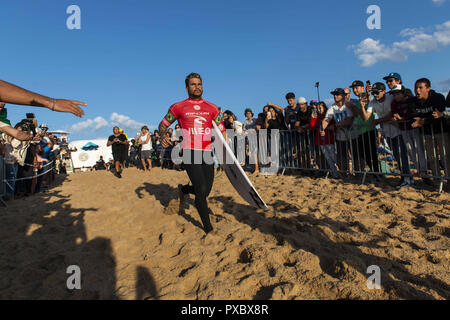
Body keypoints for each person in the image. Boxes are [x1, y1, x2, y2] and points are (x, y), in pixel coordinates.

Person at [158, 73, 226, 235]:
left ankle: (185, 190)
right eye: (193, 84)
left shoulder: (212, 108)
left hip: (207, 152)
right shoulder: (178, 107)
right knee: (201, 192)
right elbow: (163, 124)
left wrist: (224, 153)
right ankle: (208, 229)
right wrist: (163, 135)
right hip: (189, 152)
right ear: (187, 87)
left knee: (206, 190)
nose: (197, 87)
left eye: (200, 84)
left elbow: (222, 131)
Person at [369, 83, 412, 188]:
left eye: (377, 92)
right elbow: (367, 117)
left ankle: (408, 179)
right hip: (387, 132)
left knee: (403, 155)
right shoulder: (373, 102)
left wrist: (379, 120)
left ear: (383, 91)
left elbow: (392, 113)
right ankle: (404, 177)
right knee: (397, 156)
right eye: (373, 92)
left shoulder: (391, 97)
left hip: (399, 130)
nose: (375, 94)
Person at [408, 78, 449, 182]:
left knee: (446, 158)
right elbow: (411, 115)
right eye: (416, 87)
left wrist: (423, 120)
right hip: (427, 134)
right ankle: (437, 180)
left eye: (420, 87)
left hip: (441, 131)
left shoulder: (438, 97)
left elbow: (438, 115)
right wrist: (427, 119)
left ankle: (448, 180)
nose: (417, 90)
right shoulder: (413, 101)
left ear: (428, 88)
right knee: (432, 158)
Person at [322, 88, 357, 174]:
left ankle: (358, 173)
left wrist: (336, 125)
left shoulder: (348, 105)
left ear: (343, 96)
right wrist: (322, 128)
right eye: (334, 94)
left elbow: (349, 121)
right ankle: (344, 173)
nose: (335, 96)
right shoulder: (333, 106)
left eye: (337, 94)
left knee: (356, 156)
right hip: (341, 136)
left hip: (353, 134)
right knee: (342, 157)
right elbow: (327, 119)